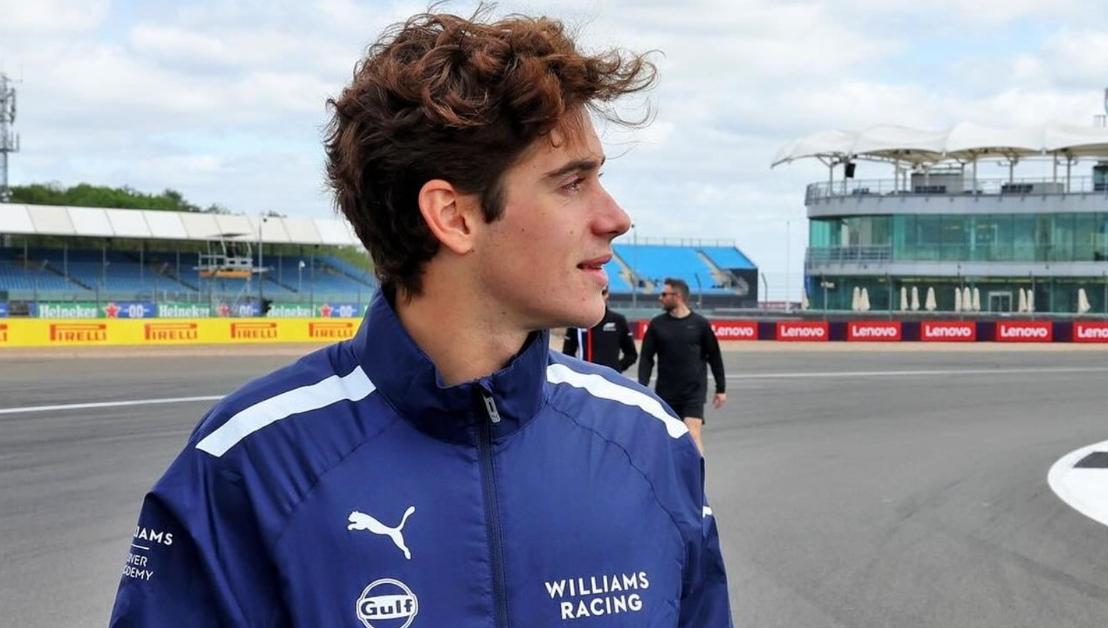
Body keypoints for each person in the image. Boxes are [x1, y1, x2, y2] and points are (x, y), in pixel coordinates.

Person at [108, 10, 731, 628]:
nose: (617, 217)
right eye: (572, 183)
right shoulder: (249, 463)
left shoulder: (650, 442)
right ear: (453, 217)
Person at [638, 278, 727, 455]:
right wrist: (642, 386)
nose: (660, 298)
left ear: (677, 296)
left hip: (693, 391)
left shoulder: (700, 324)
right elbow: (647, 358)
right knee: (668, 439)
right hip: (666, 392)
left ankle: (696, 480)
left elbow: (714, 356)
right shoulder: (657, 325)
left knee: (692, 435)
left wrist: (721, 388)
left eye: (664, 294)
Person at [562, 286, 638, 373]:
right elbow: (567, 353)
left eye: (603, 293)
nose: (599, 297)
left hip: (609, 380)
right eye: (595, 293)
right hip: (585, 378)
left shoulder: (618, 320)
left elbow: (631, 354)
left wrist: (615, 370)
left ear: (607, 295)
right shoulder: (577, 321)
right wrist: (577, 371)